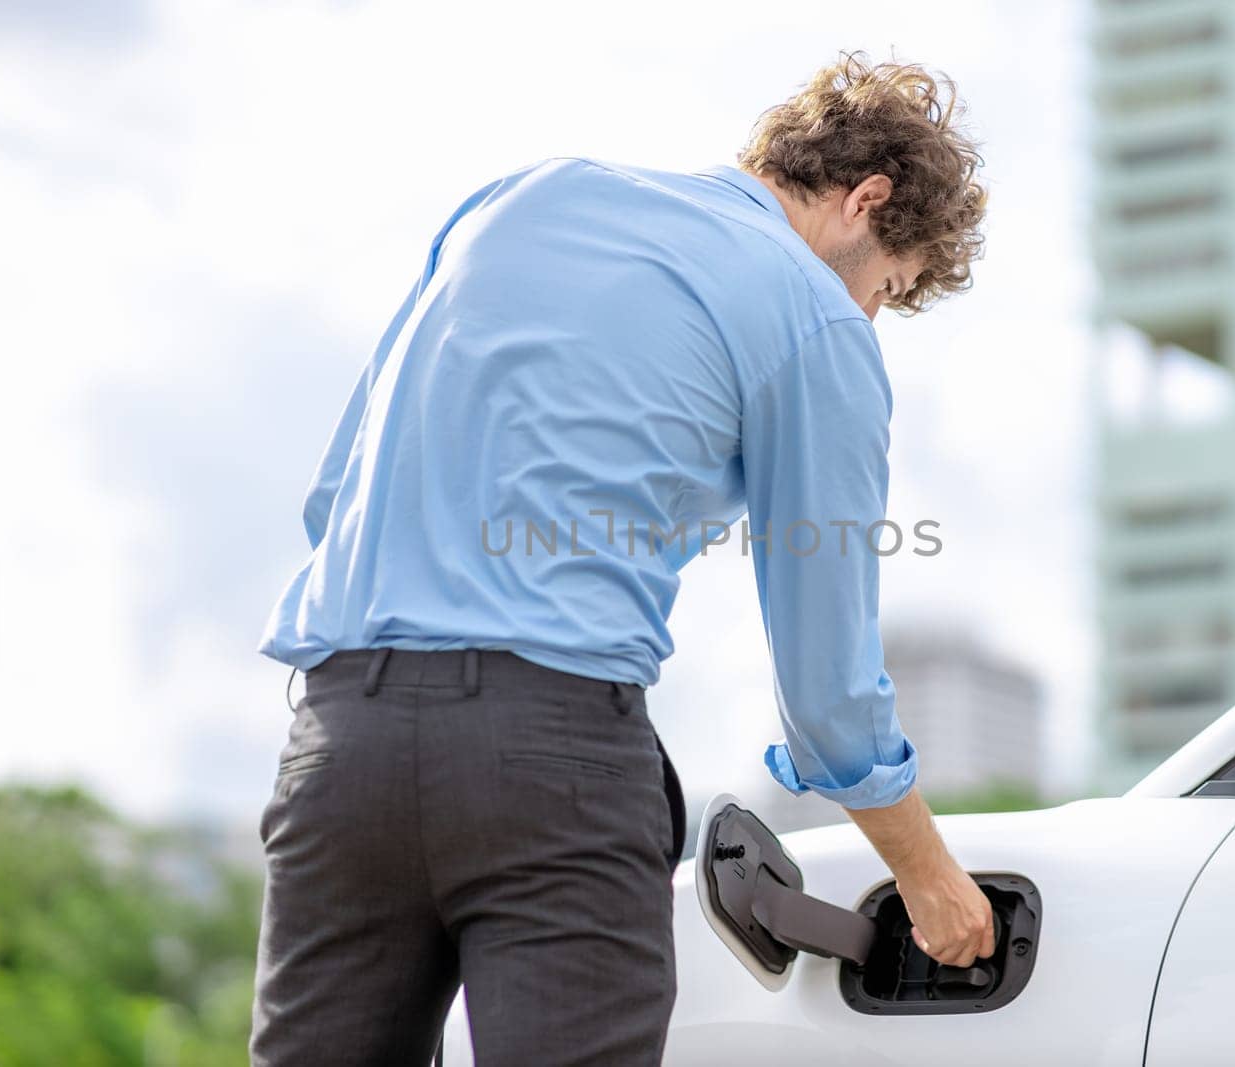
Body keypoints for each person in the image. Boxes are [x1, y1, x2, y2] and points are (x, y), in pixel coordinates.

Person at [249, 51, 993, 1067]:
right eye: (888, 287)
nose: (870, 313)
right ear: (865, 201)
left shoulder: (519, 198)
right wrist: (929, 874)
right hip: (547, 761)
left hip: (338, 749)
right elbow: (827, 690)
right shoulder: (812, 315)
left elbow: (335, 498)